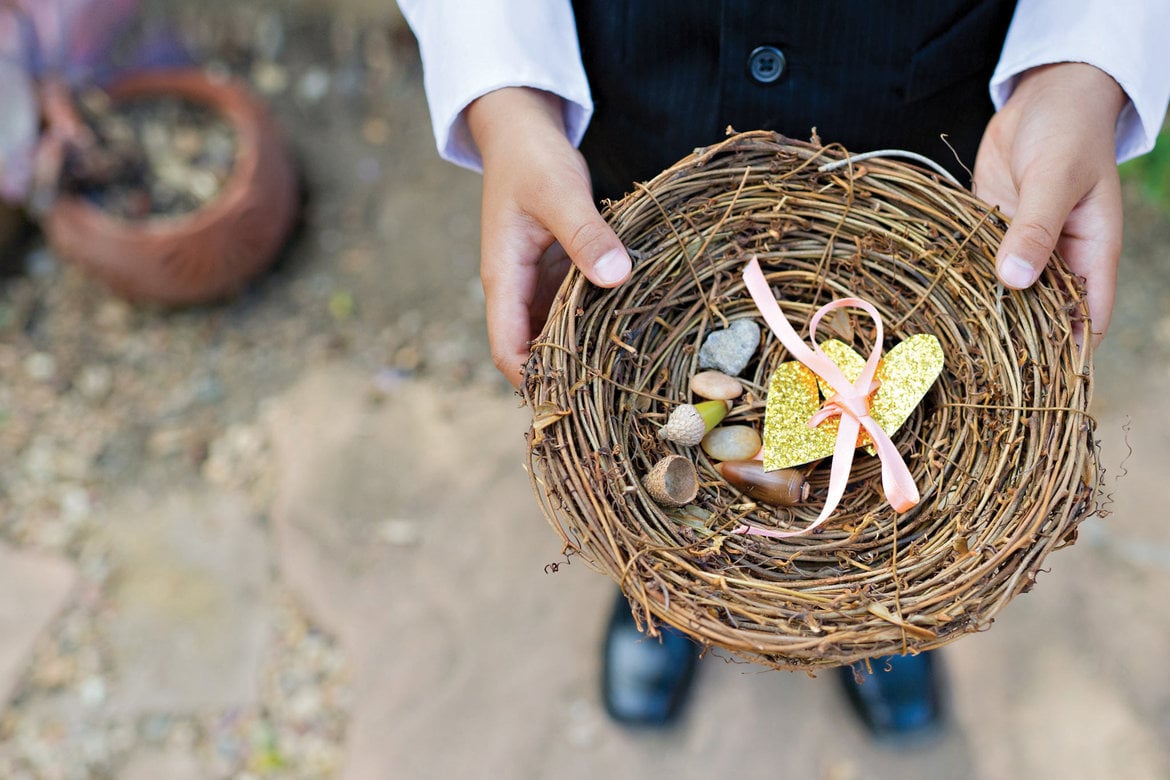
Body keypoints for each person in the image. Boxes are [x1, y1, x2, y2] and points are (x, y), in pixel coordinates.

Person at [397, 0, 1170, 738]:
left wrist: (1079, 66)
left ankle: (882, 611)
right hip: (647, 112)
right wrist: (508, 101)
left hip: (919, 132)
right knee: (622, 397)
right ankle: (666, 584)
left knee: (921, 504)